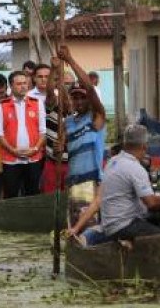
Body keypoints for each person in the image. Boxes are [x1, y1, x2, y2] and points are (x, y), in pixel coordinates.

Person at [58, 46, 106, 233]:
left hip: (92, 180)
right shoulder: (67, 122)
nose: (78, 102)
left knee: (90, 228)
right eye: (74, 98)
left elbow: (89, 87)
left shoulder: (96, 117)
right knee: (74, 228)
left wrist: (69, 59)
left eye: (82, 98)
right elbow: (61, 150)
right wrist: (58, 147)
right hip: (73, 180)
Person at [99, 124, 160, 240]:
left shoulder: (112, 162)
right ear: (144, 147)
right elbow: (151, 203)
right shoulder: (134, 168)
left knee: (157, 219)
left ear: (124, 144)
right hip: (123, 225)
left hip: (110, 224)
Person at [0, 71, 46, 198]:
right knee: (11, 195)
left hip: (33, 158)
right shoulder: (1, 105)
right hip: (10, 159)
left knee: (32, 194)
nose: (23, 86)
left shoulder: (37, 103)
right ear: (11, 86)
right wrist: (13, 150)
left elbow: (43, 132)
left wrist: (35, 149)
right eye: (19, 84)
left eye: (25, 83)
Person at [40, 51, 77, 194]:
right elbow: (49, 92)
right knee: (51, 198)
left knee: (71, 200)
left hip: (73, 164)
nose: (65, 87)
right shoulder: (53, 106)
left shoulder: (79, 112)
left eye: (68, 84)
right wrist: (53, 69)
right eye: (62, 84)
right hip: (53, 163)